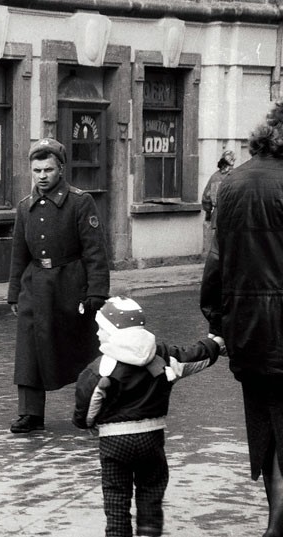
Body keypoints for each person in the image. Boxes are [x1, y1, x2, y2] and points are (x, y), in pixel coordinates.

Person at [74, 296, 224, 537]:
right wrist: (215, 344)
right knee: (151, 493)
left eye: (101, 329)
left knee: (116, 498)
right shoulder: (162, 356)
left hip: (114, 442)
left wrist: (87, 424)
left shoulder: (101, 367)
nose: (98, 334)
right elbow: (194, 356)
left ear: (112, 331)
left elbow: (87, 402)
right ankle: (149, 532)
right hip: (151, 439)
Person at [201, 101, 283, 537]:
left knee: (265, 425)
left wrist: (219, 319)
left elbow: (215, 262)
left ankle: (274, 520)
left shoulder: (230, 184)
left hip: (246, 329)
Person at [7, 137, 110, 433]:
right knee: (29, 350)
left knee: (82, 349)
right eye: (37, 170)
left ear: (61, 169)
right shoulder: (25, 207)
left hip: (70, 286)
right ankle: (30, 413)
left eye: (48, 170)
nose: (42, 176)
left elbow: (95, 251)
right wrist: (14, 293)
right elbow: (18, 254)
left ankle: (94, 407)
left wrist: (96, 291)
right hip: (35, 286)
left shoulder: (80, 202)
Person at [201, 149, 236, 229]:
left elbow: (206, 198)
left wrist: (208, 214)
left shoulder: (214, 177)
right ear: (233, 161)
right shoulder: (237, 176)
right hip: (233, 216)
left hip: (217, 217)